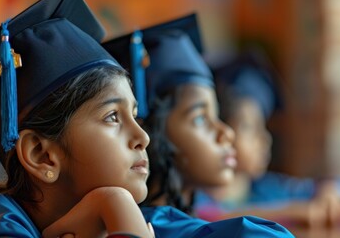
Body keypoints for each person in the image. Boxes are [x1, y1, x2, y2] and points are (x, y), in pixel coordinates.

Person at [0, 0, 153, 237]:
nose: (143, 137)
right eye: (112, 117)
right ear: (41, 155)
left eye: (135, 116)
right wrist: (116, 204)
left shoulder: (155, 220)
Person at [102, 14, 294, 237]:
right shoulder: (152, 227)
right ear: (150, 132)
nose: (226, 132)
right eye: (201, 118)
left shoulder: (184, 219)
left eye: (217, 115)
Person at [194, 51, 340, 227]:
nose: (264, 138)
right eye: (249, 127)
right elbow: (211, 218)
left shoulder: (269, 188)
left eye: (264, 127)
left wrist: (331, 191)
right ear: (221, 132)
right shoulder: (195, 197)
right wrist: (289, 212)